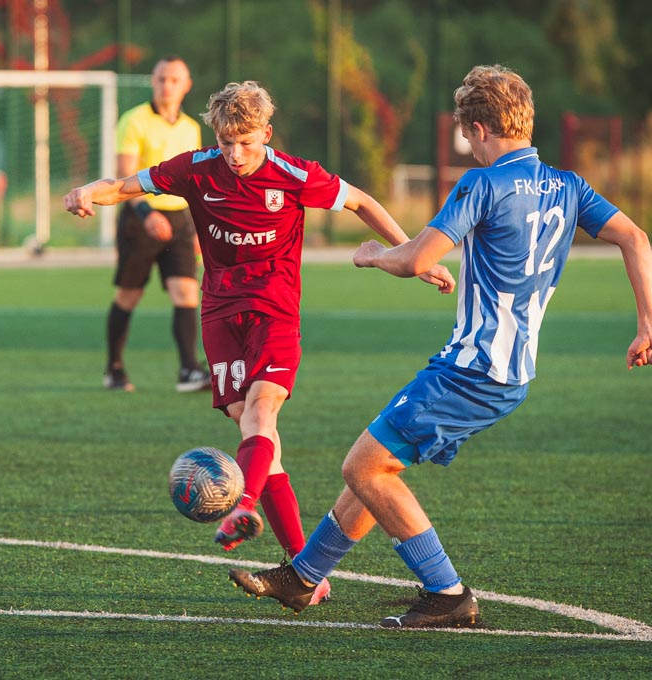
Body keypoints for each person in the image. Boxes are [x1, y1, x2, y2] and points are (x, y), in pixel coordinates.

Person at [227, 64, 652, 627]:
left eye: (467, 135)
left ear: (479, 129)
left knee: (363, 467)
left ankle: (447, 592)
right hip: (509, 370)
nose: (469, 147)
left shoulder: (483, 185)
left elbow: (415, 259)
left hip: (473, 369)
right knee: (380, 462)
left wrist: (373, 255)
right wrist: (649, 326)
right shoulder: (569, 185)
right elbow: (635, 237)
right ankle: (304, 576)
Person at [66, 81, 455, 606]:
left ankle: (242, 506)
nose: (235, 153)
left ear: (266, 134)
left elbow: (361, 201)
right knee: (253, 430)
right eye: (226, 141)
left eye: (246, 142)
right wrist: (88, 191)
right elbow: (123, 186)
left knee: (261, 413)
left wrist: (412, 254)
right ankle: (306, 572)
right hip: (220, 312)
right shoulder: (195, 169)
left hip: (274, 310)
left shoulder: (294, 174)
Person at [104, 56, 211, 393]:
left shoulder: (190, 127)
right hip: (140, 219)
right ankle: (114, 368)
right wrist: (146, 214)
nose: (167, 85)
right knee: (129, 295)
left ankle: (189, 370)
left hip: (180, 220)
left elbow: (195, 183)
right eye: (162, 78)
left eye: (174, 80)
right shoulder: (133, 120)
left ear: (186, 85)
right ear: (153, 81)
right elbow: (124, 177)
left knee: (186, 291)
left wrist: (198, 228)